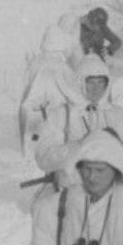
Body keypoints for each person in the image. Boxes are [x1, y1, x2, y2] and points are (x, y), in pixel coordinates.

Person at [34, 54, 123, 188]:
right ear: (80, 82)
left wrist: (109, 150)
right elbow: (43, 156)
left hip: (110, 189)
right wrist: (78, 148)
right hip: (70, 189)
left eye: (100, 82)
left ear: (107, 83)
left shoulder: (118, 115)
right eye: (90, 82)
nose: (96, 88)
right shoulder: (61, 115)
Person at [19, 24, 87, 156]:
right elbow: (73, 93)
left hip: (33, 110)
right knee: (53, 145)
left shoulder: (36, 61)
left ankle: (30, 159)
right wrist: (84, 103)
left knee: (34, 139)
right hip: (54, 112)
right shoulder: (61, 67)